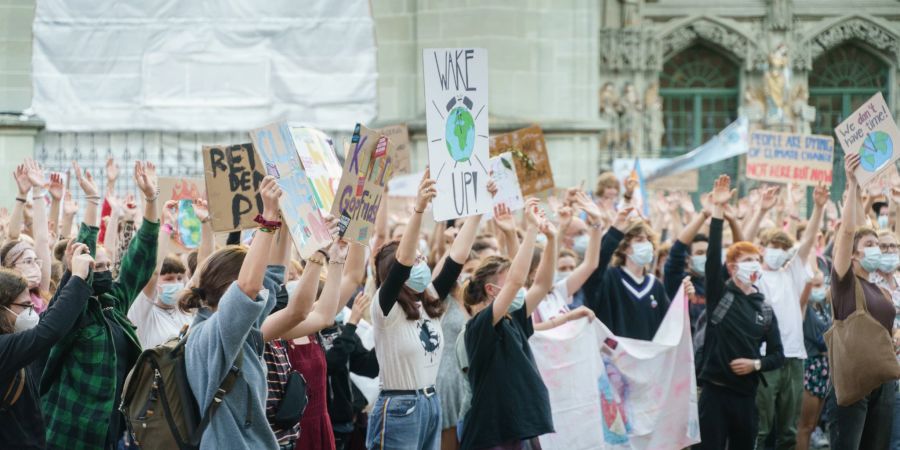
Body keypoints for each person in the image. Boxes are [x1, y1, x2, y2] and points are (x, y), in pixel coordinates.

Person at [40, 161, 160, 450]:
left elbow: (141, 257)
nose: (104, 270)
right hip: (71, 435)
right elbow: (84, 253)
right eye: (97, 265)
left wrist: (151, 199)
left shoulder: (113, 303)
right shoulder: (70, 312)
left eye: (108, 265)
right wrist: (94, 201)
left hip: (115, 432)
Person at [366, 168, 481, 450]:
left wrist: (479, 208)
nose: (422, 263)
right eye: (416, 260)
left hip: (431, 403)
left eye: (422, 258)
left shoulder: (427, 299)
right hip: (399, 408)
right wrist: (418, 210)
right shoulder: (386, 305)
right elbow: (403, 261)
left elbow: (457, 258)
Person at [180, 176, 284, 450]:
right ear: (229, 286)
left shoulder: (242, 330)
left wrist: (286, 219)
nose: (258, 282)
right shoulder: (212, 332)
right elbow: (249, 286)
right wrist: (269, 218)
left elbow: (272, 276)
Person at [697, 175, 785, 450]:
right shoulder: (720, 295)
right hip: (714, 392)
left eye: (756, 260)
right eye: (747, 261)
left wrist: (756, 364)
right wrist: (718, 211)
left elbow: (777, 355)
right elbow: (712, 257)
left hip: (746, 396)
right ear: (732, 267)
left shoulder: (765, 309)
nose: (753, 265)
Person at [460, 198, 554, 450]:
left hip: (519, 428)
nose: (520, 287)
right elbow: (515, 280)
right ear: (491, 290)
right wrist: (531, 229)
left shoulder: (513, 320)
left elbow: (542, 284)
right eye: (511, 282)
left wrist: (552, 240)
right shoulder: (479, 326)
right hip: (492, 435)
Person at [826, 153, 896, 450]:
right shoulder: (845, 284)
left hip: (884, 383)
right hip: (854, 386)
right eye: (870, 245)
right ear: (853, 255)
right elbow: (847, 233)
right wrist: (853, 184)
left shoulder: (880, 289)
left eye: (879, 245)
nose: (877, 249)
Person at [754, 183, 827, 450]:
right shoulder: (754, 276)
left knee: (788, 431)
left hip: (794, 358)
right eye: (771, 245)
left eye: (781, 246)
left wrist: (818, 207)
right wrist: (762, 212)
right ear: (761, 248)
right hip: (765, 359)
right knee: (761, 430)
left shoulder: (791, 273)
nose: (777, 250)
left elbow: (807, 242)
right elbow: (744, 241)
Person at [0, 243, 93, 449]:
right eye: (25, 306)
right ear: (3, 308)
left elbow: (47, 320)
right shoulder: (3, 348)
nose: (31, 312)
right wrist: (78, 279)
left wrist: (69, 273)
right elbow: (48, 331)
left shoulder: (13, 339)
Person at [587, 206, 670, 340]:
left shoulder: (655, 285)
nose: (647, 244)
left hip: (649, 358)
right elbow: (596, 266)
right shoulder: (610, 278)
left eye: (648, 239)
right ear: (624, 248)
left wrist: (685, 300)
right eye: (639, 240)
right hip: (616, 357)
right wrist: (615, 230)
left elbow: (669, 326)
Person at [323, 292, 380, 450]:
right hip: (323, 423)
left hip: (345, 423)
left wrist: (383, 334)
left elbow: (368, 368)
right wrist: (352, 323)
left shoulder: (343, 332)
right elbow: (331, 364)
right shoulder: (308, 333)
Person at [3, 159, 54, 314]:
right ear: (9, 267)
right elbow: (12, 236)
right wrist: (21, 195)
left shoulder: (40, 294)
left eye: (35, 261)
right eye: (28, 261)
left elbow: (42, 240)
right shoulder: (3, 296)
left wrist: (37, 190)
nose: (36, 267)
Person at [797, 271, 831, 450]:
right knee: (804, 426)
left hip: (824, 369)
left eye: (822, 285)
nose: (820, 289)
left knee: (813, 425)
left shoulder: (823, 307)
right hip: (810, 367)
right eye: (815, 285)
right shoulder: (805, 309)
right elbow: (821, 340)